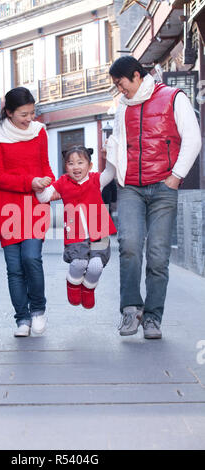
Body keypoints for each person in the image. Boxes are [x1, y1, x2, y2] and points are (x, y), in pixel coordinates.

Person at [105, 56, 202, 339]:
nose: (119, 89)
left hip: (163, 187)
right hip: (131, 187)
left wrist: (175, 177)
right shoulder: (122, 106)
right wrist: (93, 183)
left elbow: (193, 139)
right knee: (130, 245)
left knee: (158, 256)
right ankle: (129, 309)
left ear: (136, 75)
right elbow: (117, 151)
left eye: (121, 83)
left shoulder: (173, 97)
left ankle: (152, 318)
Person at [0, 87, 55, 337]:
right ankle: (22, 319)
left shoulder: (39, 132)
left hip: (34, 207)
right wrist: (29, 182)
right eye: (24, 114)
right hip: (7, 210)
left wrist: (48, 181)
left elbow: (46, 166)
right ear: (9, 113)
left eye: (32, 113)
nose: (29, 119)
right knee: (14, 267)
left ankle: (38, 310)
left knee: (31, 259)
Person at [36, 146, 116, 309]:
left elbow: (110, 172)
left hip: (99, 230)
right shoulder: (63, 182)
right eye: (71, 163)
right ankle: (72, 284)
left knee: (96, 265)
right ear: (66, 167)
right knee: (78, 264)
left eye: (80, 162)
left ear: (90, 165)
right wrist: (40, 184)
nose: (76, 167)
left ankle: (88, 289)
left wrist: (109, 154)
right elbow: (44, 197)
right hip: (75, 233)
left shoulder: (96, 179)